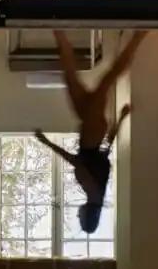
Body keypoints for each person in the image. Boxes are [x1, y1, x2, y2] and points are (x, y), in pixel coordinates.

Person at [33, 29, 146, 239]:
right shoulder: (94, 194)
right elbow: (76, 161)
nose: (77, 216)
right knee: (107, 79)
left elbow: (106, 150)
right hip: (92, 130)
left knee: (72, 77)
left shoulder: (97, 193)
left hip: (91, 127)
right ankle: (139, 36)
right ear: (88, 216)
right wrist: (46, 142)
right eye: (80, 219)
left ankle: (58, 32)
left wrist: (121, 120)